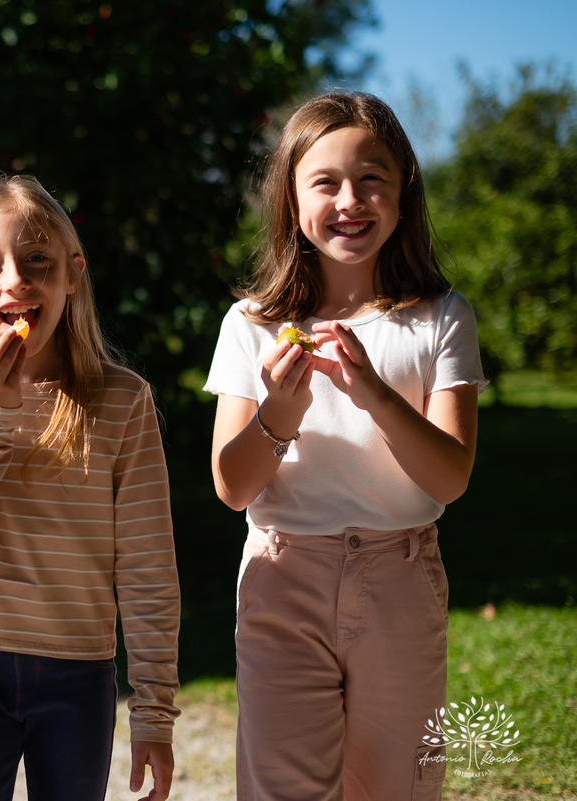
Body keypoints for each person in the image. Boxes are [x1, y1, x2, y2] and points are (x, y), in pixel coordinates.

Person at [204, 91, 486, 801]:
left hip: (400, 576)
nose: (350, 199)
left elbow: (450, 476)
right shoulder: (252, 324)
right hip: (281, 576)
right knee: (282, 787)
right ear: (292, 201)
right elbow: (233, 486)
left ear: (403, 192)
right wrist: (282, 409)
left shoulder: (442, 317)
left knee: (396, 786)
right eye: (324, 182)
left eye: (372, 178)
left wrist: (375, 393)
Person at [0, 171, 182, 801]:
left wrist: (154, 710)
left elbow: (148, 566)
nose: (14, 282)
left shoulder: (122, 401)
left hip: (80, 674)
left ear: (72, 273)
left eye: (36, 261)